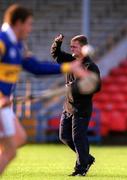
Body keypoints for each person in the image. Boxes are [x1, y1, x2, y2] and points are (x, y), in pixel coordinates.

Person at [0, 4, 93, 175]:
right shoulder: (2, 41)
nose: (30, 29)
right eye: (28, 24)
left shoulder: (19, 46)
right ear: (18, 23)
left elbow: (36, 67)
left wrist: (69, 68)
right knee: (11, 145)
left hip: (4, 103)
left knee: (17, 141)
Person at [51, 34, 101, 176]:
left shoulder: (90, 66)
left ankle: (81, 168)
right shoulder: (71, 60)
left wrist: (76, 86)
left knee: (78, 138)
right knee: (64, 136)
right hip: (68, 106)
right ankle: (86, 158)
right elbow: (56, 55)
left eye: (74, 46)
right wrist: (57, 42)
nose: (71, 48)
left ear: (83, 48)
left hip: (81, 108)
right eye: (71, 46)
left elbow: (96, 87)